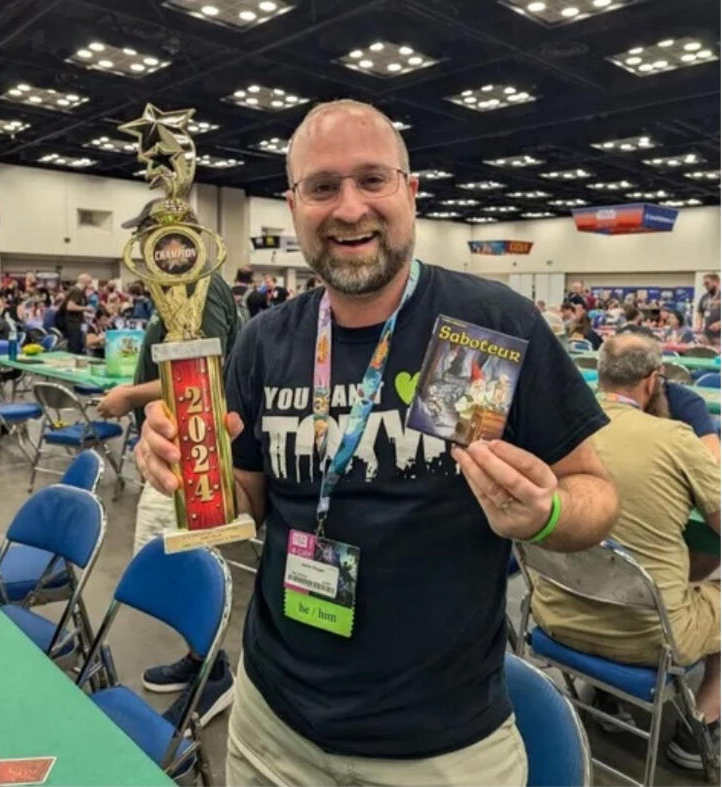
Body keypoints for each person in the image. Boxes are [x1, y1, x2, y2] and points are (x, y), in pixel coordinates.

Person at [136, 99, 619, 787]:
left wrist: (545, 513)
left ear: (410, 192)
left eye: (372, 179)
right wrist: (189, 470)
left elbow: (596, 494)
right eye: (322, 187)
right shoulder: (267, 340)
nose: (349, 207)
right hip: (271, 726)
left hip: (441, 750)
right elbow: (251, 498)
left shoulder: (485, 326)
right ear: (293, 205)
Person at [531, 333, 720, 771]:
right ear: (653, 381)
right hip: (649, 639)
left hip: (555, 617)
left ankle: (605, 696)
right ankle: (702, 728)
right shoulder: (675, 438)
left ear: (600, 373)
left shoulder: (551, 427)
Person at [96, 206, 242, 730]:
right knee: (174, 559)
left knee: (183, 562)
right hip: (173, 448)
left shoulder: (202, 284)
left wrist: (128, 396)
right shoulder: (174, 286)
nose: (146, 247)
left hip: (195, 452)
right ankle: (201, 658)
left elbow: (208, 370)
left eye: (150, 235)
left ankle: (213, 673)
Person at [55, 273, 93, 353]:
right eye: (89, 282)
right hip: (72, 323)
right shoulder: (76, 291)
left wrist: (85, 312)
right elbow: (70, 307)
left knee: (79, 344)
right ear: (86, 282)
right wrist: (86, 308)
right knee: (75, 346)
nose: (90, 285)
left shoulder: (78, 292)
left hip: (76, 322)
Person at [696, 273, 721, 347]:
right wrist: (699, 325)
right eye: (704, 284)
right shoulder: (704, 297)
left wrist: (720, 324)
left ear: (716, 282)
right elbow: (700, 313)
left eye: (707, 283)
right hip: (707, 335)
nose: (705, 286)